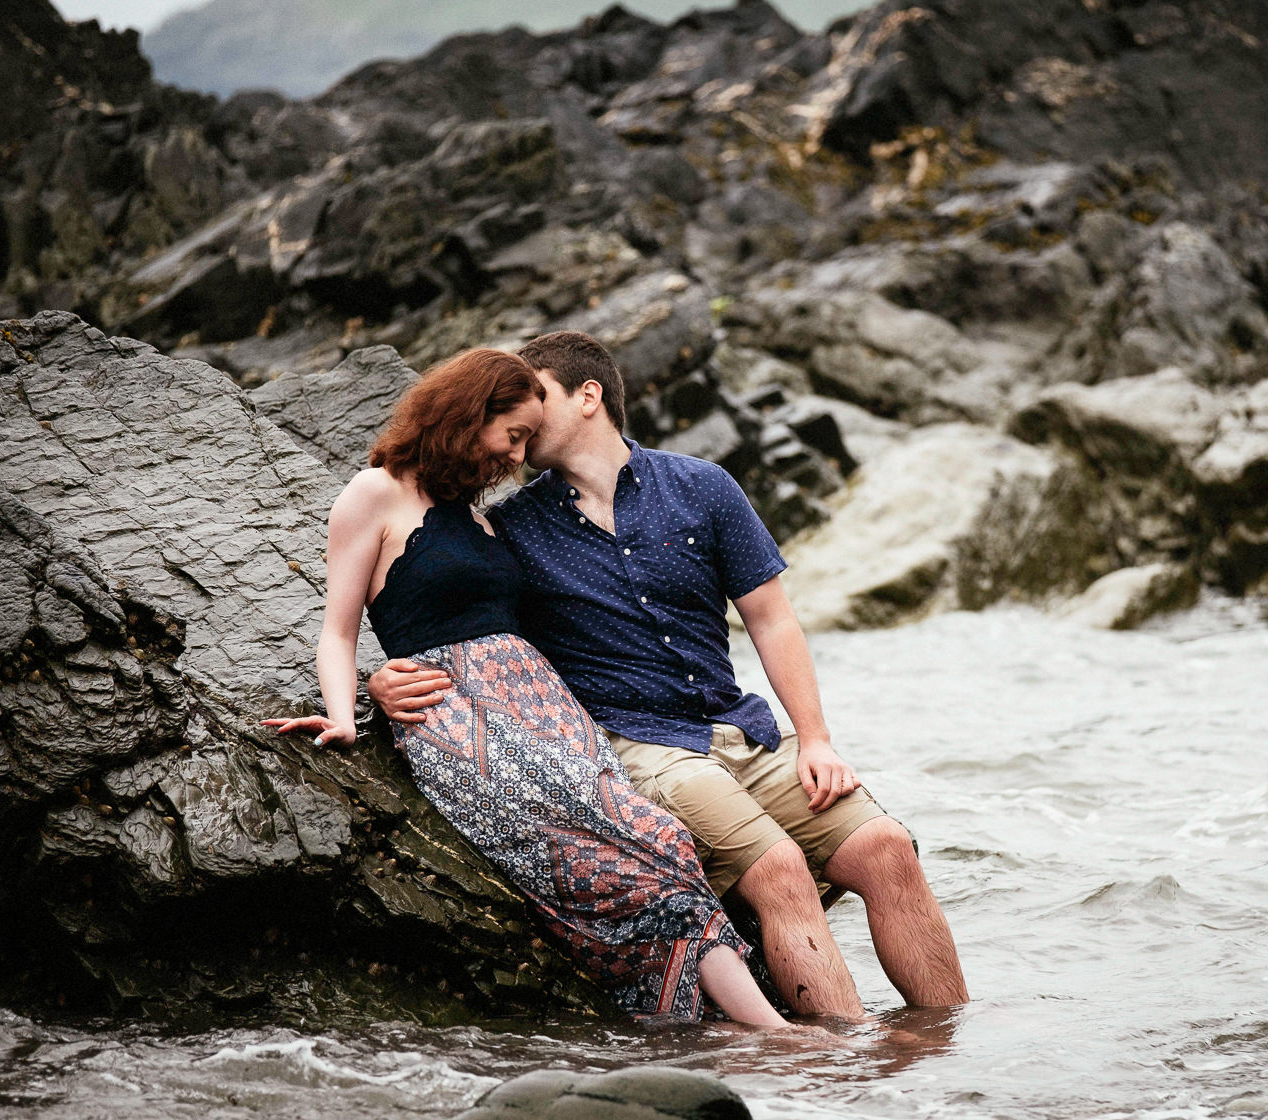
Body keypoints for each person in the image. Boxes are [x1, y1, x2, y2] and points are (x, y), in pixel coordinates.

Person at [368, 331, 969, 1020]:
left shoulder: (703, 488)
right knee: (778, 870)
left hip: (739, 729)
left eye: (539, 396)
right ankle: (840, 1068)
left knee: (888, 848)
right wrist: (387, 677)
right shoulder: (511, 529)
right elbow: (448, 615)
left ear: (588, 395)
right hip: (638, 747)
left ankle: (946, 1051)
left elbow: (773, 620)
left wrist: (817, 738)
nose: (525, 420)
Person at [263, 347, 786, 1027]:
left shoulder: (480, 513)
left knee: (658, 836)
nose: (516, 456)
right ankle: (769, 1032)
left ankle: (737, 1028)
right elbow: (337, 628)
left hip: (545, 706)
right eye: (512, 435)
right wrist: (350, 710)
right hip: (455, 712)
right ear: (469, 413)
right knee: (603, 856)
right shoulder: (374, 494)